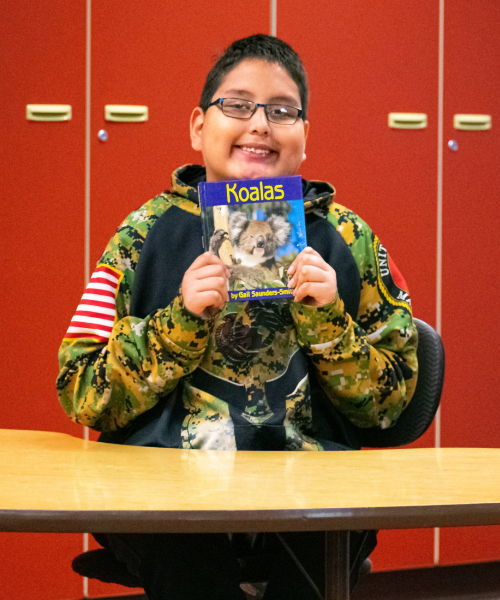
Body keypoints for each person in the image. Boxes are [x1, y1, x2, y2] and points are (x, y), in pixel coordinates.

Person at [57, 34, 418, 600]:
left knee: (316, 554)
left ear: (304, 135)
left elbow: (393, 405)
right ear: (200, 127)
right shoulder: (144, 234)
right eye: (238, 104)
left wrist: (329, 324)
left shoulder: (346, 238)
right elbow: (79, 388)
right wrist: (177, 324)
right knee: (189, 562)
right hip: (168, 495)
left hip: (310, 494)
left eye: (282, 111)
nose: (260, 124)